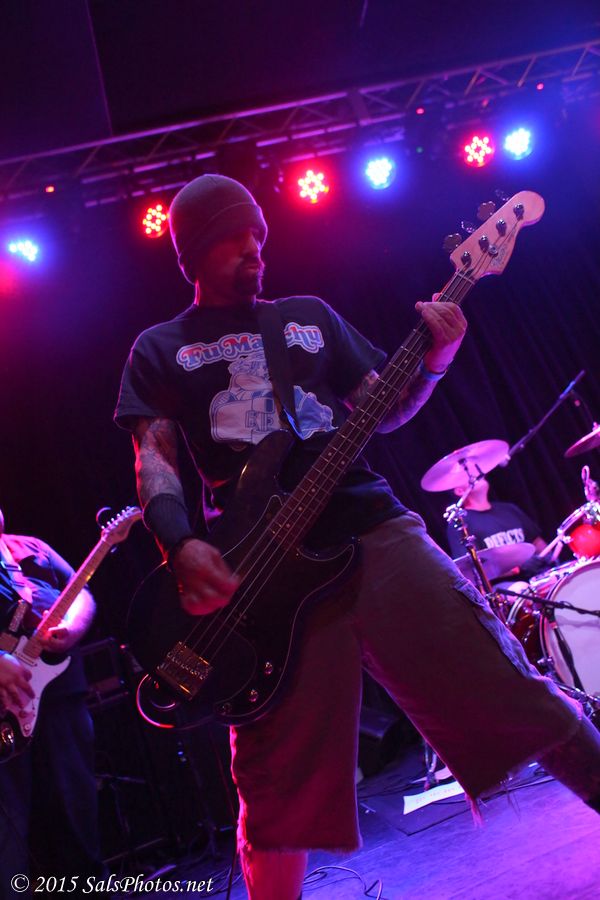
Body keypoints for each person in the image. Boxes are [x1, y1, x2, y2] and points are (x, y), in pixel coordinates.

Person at [115, 174, 600, 900]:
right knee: (274, 788)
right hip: (264, 577)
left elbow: (386, 407)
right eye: (233, 239)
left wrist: (435, 361)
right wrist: (179, 544)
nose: (254, 249)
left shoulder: (308, 317)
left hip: (371, 528)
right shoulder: (159, 348)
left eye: (259, 236)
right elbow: (153, 458)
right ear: (190, 254)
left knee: (513, 687)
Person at [0, 507, 104, 895]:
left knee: (76, 816)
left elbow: (81, 592)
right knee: (9, 836)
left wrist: (72, 627)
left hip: (58, 695)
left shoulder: (31, 548)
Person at [445, 476, 551, 581]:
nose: (475, 475)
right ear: (459, 491)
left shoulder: (509, 509)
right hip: (505, 585)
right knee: (521, 587)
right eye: (467, 475)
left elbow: (536, 541)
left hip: (537, 576)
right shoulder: (460, 524)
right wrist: (519, 568)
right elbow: (471, 570)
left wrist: (550, 559)